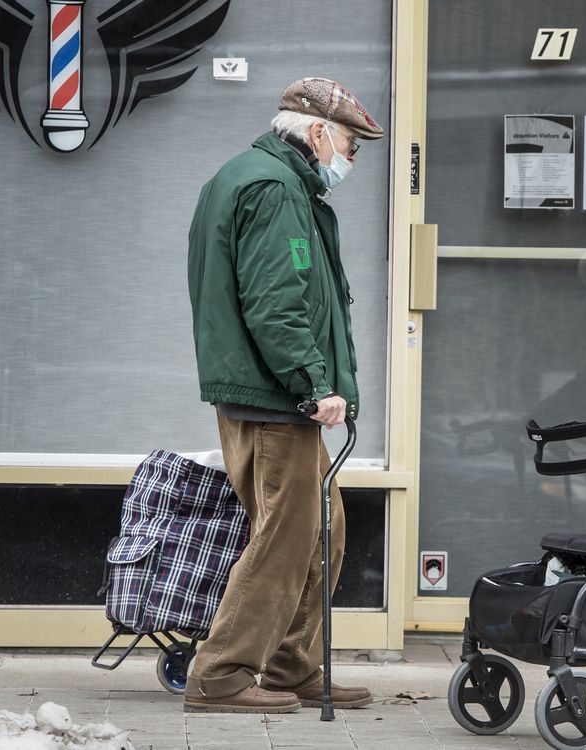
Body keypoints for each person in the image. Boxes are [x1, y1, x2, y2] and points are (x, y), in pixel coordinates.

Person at [184, 77, 382, 713]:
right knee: (288, 536)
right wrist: (315, 384)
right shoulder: (275, 189)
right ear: (317, 132)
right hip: (275, 398)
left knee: (322, 528)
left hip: (262, 392)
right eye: (352, 144)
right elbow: (277, 304)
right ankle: (221, 674)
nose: (352, 159)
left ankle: (293, 666)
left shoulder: (255, 177)